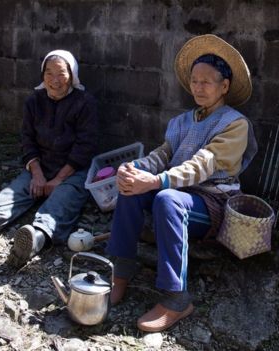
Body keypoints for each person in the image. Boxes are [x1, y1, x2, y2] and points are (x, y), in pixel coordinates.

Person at [106, 34, 258, 332]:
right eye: (194, 80)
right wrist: (134, 169)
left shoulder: (235, 124)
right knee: (131, 189)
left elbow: (204, 165)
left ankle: (176, 298)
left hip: (211, 202)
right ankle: (120, 272)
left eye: (207, 82)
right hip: (176, 191)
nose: (198, 87)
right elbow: (162, 155)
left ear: (224, 86)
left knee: (166, 199)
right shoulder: (180, 122)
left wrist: (158, 181)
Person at [0, 50, 98, 267]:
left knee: (62, 200)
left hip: (73, 170)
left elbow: (85, 146)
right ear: (42, 75)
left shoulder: (84, 102)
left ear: (72, 75)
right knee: (10, 196)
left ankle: (34, 239)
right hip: (41, 165)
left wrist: (59, 179)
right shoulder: (34, 101)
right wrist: (37, 174)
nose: (55, 80)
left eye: (61, 73)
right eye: (49, 73)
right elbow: (27, 140)